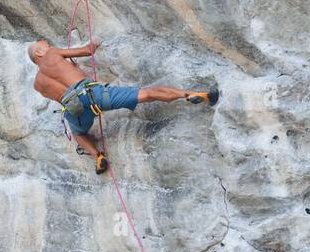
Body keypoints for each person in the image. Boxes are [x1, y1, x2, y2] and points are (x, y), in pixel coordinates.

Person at [27, 39, 217, 174]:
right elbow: (88, 50)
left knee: (77, 134)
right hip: (94, 95)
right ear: (39, 52)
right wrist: (98, 39)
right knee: (147, 94)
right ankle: (190, 94)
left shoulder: (37, 85)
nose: (50, 47)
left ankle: (98, 157)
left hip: (74, 109)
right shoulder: (52, 54)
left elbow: (62, 91)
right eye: (47, 45)